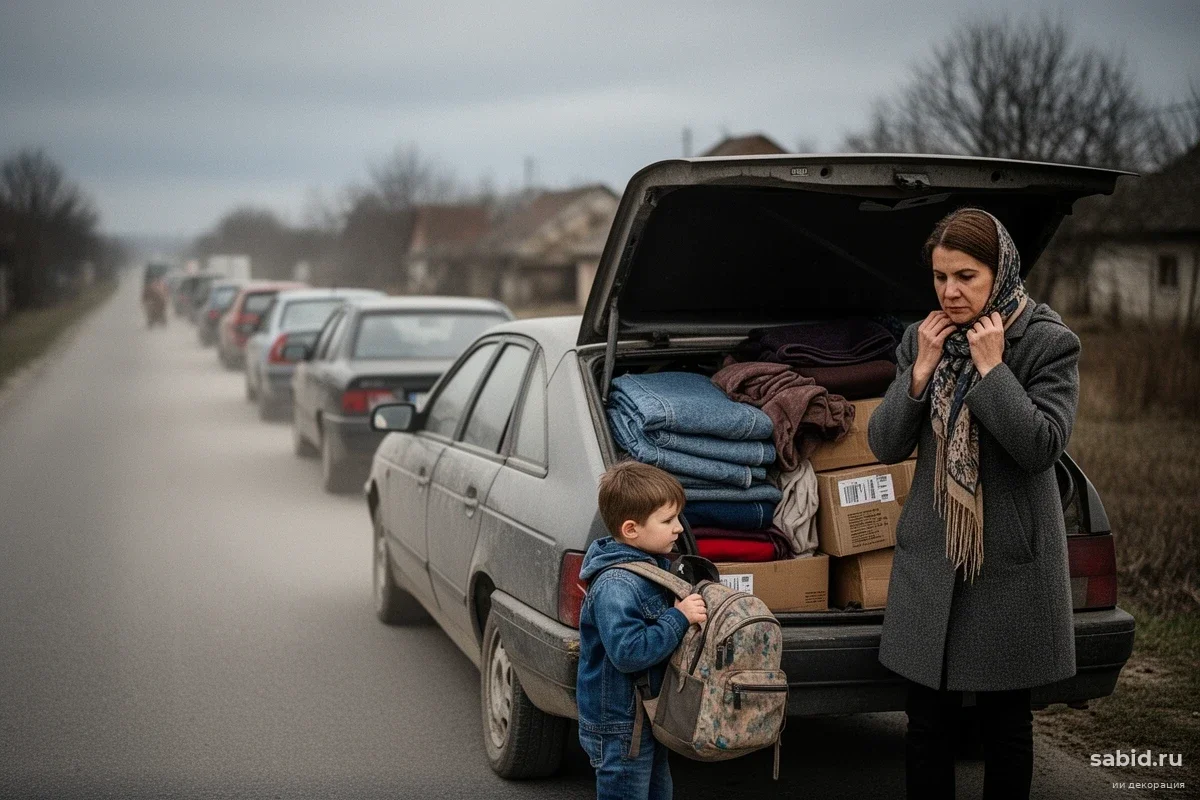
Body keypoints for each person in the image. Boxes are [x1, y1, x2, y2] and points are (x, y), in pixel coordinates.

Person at [867, 208, 1082, 799]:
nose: (950, 292)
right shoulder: (923, 336)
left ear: (1000, 272)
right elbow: (884, 443)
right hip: (933, 559)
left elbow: (1041, 446)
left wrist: (992, 369)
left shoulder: (1047, 342)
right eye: (940, 277)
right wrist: (918, 377)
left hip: (1007, 564)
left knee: (1005, 728)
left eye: (966, 276)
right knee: (926, 725)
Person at [576, 461, 708, 800]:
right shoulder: (617, 585)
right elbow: (629, 652)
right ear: (631, 529)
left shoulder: (650, 568)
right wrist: (678, 618)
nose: (679, 528)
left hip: (645, 716)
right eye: (667, 521)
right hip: (621, 726)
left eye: (678, 517)